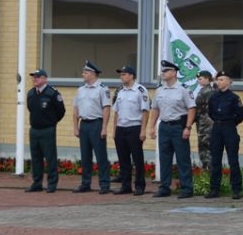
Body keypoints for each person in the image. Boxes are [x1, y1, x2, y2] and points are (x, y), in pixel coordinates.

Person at [148, 59, 196, 198]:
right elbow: (155, 109)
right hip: (164, 126)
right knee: (164, 158)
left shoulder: (184, 89)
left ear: (174, 73)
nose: (162, 73)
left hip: (178, 126)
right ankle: (164, 187)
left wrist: (188, 127)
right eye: (162, 71)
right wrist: (151, 126)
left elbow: (191, 108)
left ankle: (186, 188)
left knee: (182, 158)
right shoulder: (159, 90)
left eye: (165, 71)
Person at [71, 60, 112, 194]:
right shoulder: (80, 90)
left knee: (101, 156)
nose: (83, 74)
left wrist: (104, 127)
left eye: (86, 72)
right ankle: (85, 183)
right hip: (84, 124)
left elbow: (106, 109)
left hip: (96, 123)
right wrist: (75, 127)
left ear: (93, 74)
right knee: (85, 156)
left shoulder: (102, 89)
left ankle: (104, 184)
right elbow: (76, 109)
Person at [205, 70, 243, 199]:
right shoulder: (213, 97)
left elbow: (240, 115)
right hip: (217, 127)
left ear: (229, 81)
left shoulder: (234, 98)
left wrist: (230, 123)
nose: (219, 82)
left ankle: (236, 189)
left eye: (222, 79)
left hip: (229, 127)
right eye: (218, 79)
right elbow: (210, 112)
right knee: (215, 159)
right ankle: (214, 189)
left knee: (233, 159)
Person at [112, 65, 151, 195]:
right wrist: (114, 130)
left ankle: (139, 186)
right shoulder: (120, 91)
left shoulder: (140, 90)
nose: (121, 77)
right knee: (123, 159)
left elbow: (145, 111)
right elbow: (116, 112)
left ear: (131, 76)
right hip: (121, 128)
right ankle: (125, 185)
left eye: (123, 74)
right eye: (121, 74)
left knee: (137, 158)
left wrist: (143, 130)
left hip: (134, 127)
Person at [25, 68, 66, 193]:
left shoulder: (52, 93)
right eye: (33, 77)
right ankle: (37, 183)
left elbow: (61, 111)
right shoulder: (31, 93)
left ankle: (52, 184)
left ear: (44, 78)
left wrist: (51, 122)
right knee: (36, 158)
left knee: (50, 158)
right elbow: (31, 108)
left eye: (37, 77)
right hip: (34, 130)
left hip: (47, 130)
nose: (34, 79)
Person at [194, 70, 215, 172]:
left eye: (201, 79)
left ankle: (208, 169)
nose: (199, 81)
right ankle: (208, 169)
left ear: (207, 79)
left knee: (205, 147)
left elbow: (197, 108)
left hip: (205, 124)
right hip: (205, 123)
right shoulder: (208, 90)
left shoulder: (206, 91)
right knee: (207, 146)